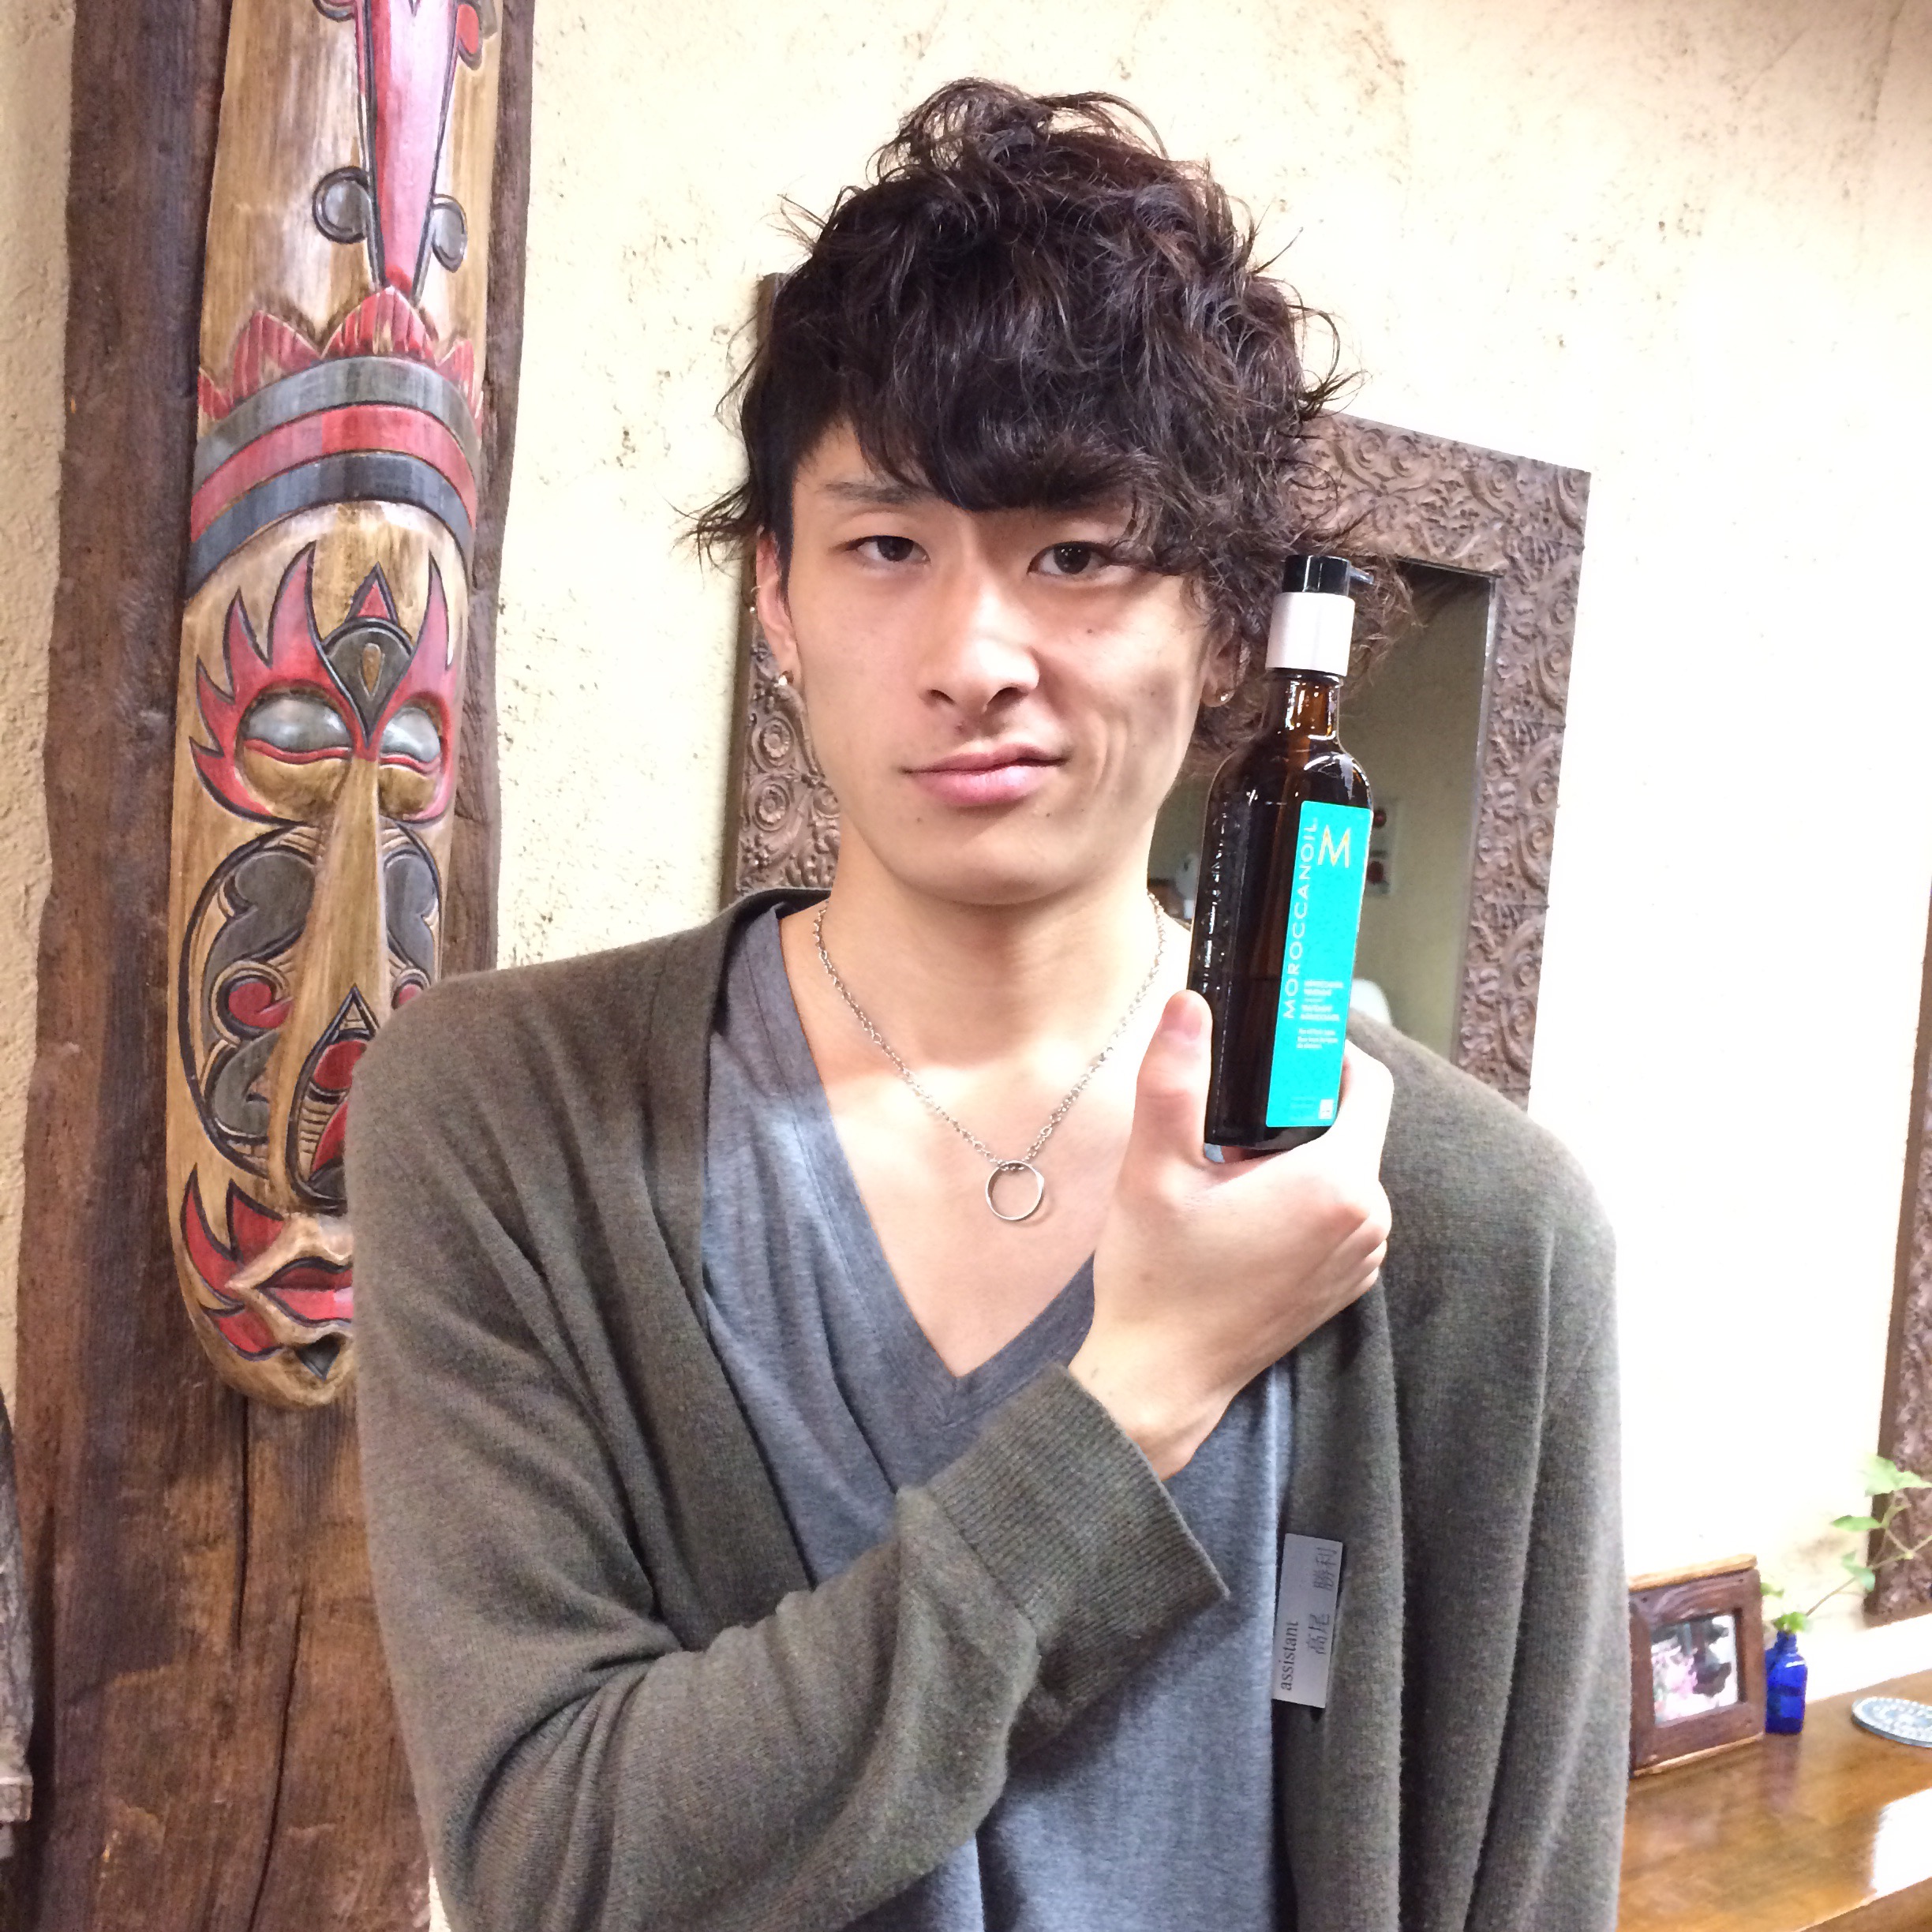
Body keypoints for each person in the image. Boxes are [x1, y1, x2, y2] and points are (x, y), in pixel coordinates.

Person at [348, 80, 1627, 1932]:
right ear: (777, 597)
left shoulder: (1478, 1227)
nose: (973, 658)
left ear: (1225, 624)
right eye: (888, 547)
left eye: (1077, 555)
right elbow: (556, 1866)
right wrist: (1140, 1393)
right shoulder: (508, 1120)